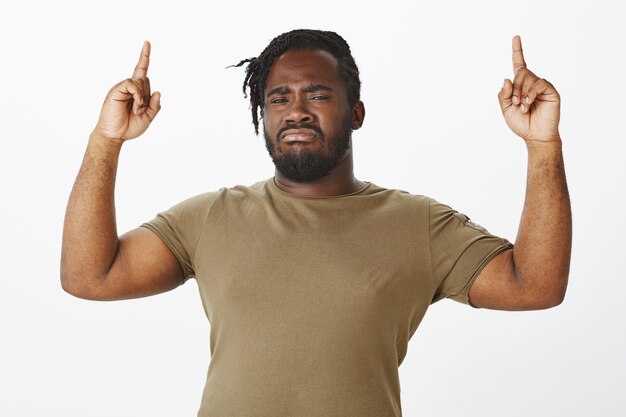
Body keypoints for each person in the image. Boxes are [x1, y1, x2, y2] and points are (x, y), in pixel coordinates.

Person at [61, 29, 571, 417]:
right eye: (278, 98)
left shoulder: (417, 224)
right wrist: (106, 141)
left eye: (318, 95)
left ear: (357, 112)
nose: (295, 111)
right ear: (263, 115)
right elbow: (90, 276)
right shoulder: (211, 217)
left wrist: (542, 144)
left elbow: (537, 285)